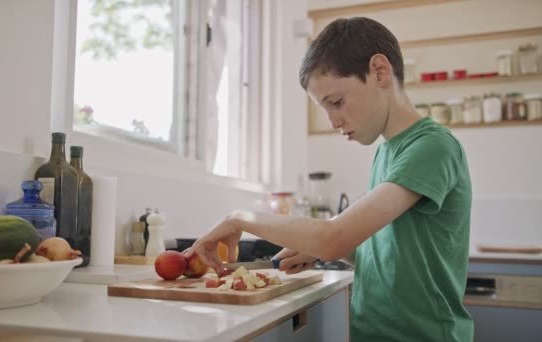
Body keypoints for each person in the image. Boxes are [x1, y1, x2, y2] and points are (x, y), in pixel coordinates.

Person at [185, 17, 474, 342]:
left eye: (336, 102)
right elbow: (388, 254)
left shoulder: (431, 147)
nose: (333, 120)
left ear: (380, 71)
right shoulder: (386, 153)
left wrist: (239, 218)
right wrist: (320, 248)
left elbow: (333, 236)